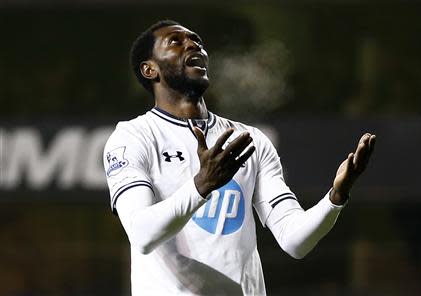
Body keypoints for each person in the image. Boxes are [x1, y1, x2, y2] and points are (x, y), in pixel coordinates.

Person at [103, 19, 376, 296]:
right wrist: (201, 185)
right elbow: (142, 235)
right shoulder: (132, 137)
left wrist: (335, 197)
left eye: (196, 40)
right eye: (176, 41)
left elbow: (295, 241)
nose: (193, 44)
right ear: (150, 69)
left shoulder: (251, 140)